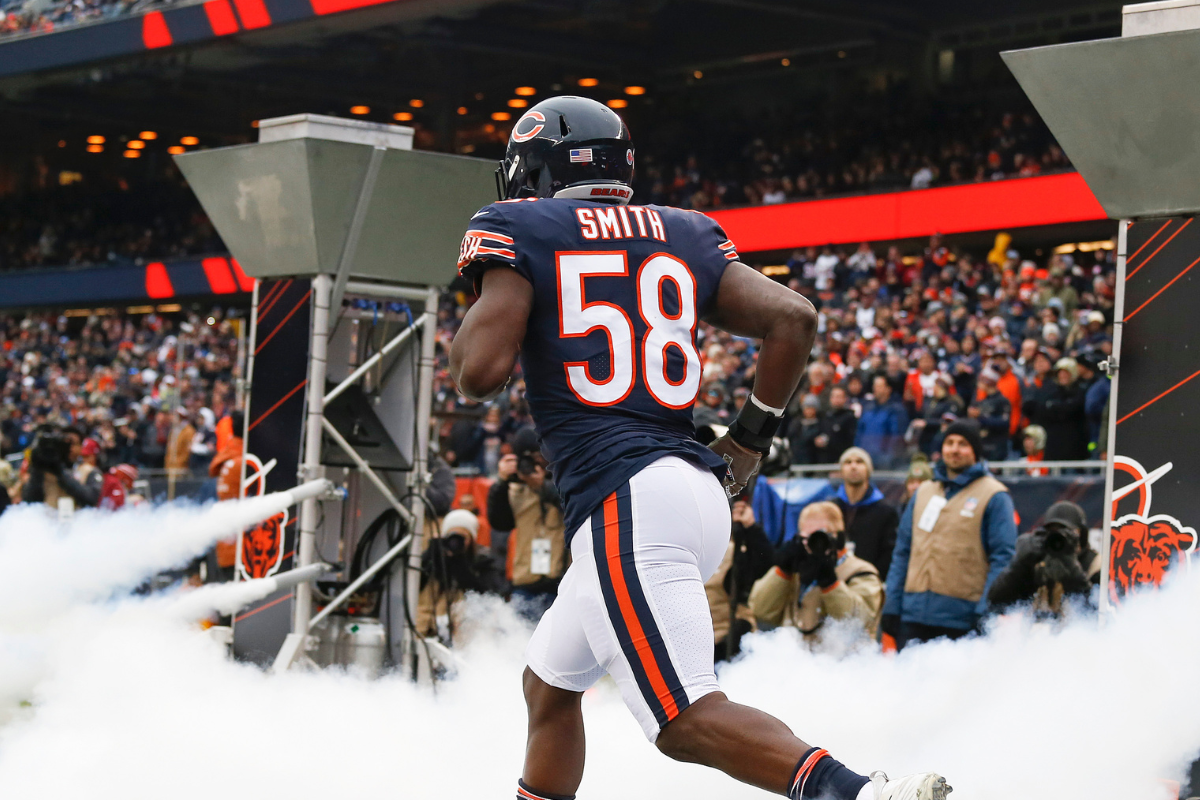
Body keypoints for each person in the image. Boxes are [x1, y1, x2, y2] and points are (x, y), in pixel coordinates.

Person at [450, 97, 948, 800]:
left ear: (534, 170)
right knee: (549, 685)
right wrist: (748, 440)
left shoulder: (516, 224)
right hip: (685, 486)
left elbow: (479, 375)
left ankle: (862, 794)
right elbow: (793, 317)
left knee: (681, 719)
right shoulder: (683, 230)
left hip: (626, 497)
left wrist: (477, 301)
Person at [881, 420, 1016, 650]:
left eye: (962, 444)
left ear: (975, 452)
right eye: (949, 443)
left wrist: (986, 611)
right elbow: (903, 552)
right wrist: (892, 607)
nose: (954, 449)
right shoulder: (924, 492)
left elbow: (1003, 559)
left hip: (962, 620)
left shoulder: (994, 495)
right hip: (913, 615)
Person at [749, 501, 884, 641]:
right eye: (806, 538)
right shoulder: (797, 569)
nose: (811, 544)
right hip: (796, 657)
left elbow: (861, 623)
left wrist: (831, 584)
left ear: (837, 538)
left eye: (818, 536)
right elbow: (760, 611)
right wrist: (783, 571)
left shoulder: (861, 571)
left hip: (844, 660)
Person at [486, 427, 567, 619]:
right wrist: (501, 482)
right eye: (528, 458)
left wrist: (543, 486)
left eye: (539, 455)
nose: (535, 462)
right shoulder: (514, 489)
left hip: (562, 584)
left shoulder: (564, 483)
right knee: (521, 642)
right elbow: (500, 522)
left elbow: (573, 507)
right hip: (525, 583)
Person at [987, 501, 1098, 615]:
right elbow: (997, 601)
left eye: (1067, 532)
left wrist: (1071, 569)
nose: (1058, 538)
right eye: (1053, 532)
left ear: (1082, 535)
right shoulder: (1038, 562)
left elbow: (1097, 613)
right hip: (1037, 630)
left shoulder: (1096, 565)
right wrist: (1020, 563)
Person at [416, 508, 508, 644]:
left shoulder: (482, 562)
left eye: (462, 537)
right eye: (452, 536)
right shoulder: (435, 559)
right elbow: (415, 586)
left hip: (464, 634)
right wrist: (430, 553)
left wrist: (460, 563)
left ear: (472, 538)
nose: (456, 543)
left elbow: (487, 596)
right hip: (428, 630)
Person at [706, 498, 775, 661]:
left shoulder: (733, 552)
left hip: (731, 644)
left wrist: (750, 528)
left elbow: (765, 565)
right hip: (696, 647)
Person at [826, 447, 899, 580]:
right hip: (834, 581)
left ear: (869, 470)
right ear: (841, 470)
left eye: (859, 462)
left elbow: (889, 554)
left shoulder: (885, 511)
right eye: (848, 462)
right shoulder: (830, 508)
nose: (853, 466)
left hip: (870, 583)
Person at [855, 375, 908, 470]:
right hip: (865, 458)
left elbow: (896, 436)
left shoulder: (896, 410)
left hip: (885, 461)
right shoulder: (867, 407)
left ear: (888, 389)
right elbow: (860, 433)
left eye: (879, 386)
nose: (875, 389)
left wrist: (888, 457)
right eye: (874, 386)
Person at [968, 369, 1011, 463]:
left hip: (997, 445)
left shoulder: (1002, 401)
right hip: (983, 444)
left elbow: (1004, 423)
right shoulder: (982, 401)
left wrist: (980, 417)